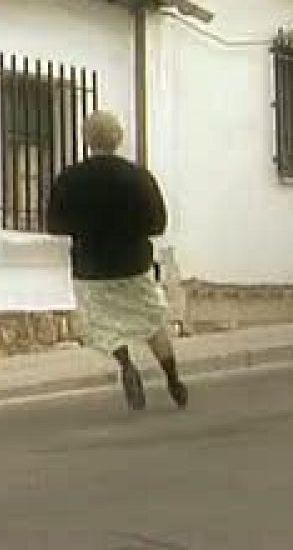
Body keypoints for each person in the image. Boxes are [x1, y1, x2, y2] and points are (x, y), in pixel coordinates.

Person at [46, 111, 187, 411]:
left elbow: (55, 224)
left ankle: (125, 363)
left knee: (105, 324)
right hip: (132, 264)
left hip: (90, 268)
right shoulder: (137, 176)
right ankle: (172, 377)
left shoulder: (69, 178)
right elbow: (157, 224)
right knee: (151, 322)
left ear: (87, 139)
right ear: (118, 138)